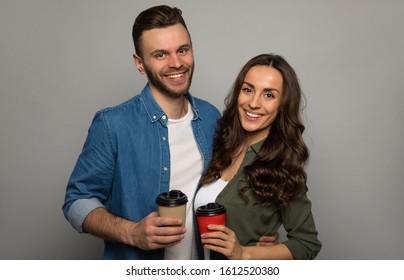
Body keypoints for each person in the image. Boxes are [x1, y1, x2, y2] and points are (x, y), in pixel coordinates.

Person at [62, 5, 277, 260]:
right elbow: (76, 201)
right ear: (139, 64)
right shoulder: (112, 124)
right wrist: (132, 233)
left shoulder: (212, 118)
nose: (177, 63)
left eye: (183, 50)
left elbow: (228, 188)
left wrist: (255, 234)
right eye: (161, 55)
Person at [194, 53, 322, 260]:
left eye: (269, 95)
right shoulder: (219, 144)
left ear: (283, 104)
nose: (253, 103)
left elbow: (307, 243)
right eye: (248, 90)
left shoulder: (283, 166)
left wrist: (245, 253)